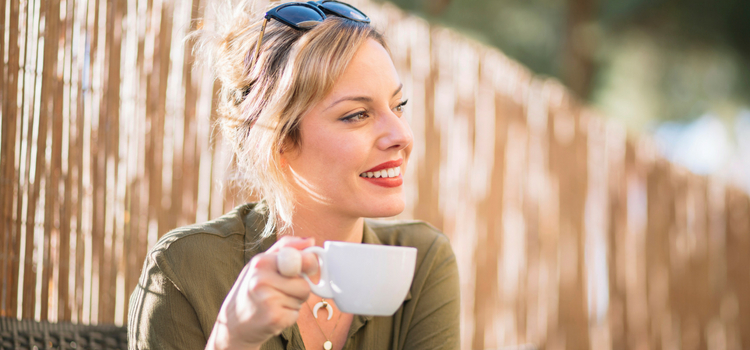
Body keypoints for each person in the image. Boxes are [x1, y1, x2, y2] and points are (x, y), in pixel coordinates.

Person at [127, 1, 460, 349]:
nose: (402, 136)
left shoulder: (422, 262)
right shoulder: (184, 271)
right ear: (279, 142)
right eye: (357, 115)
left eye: (398, 106)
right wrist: (233, 340)